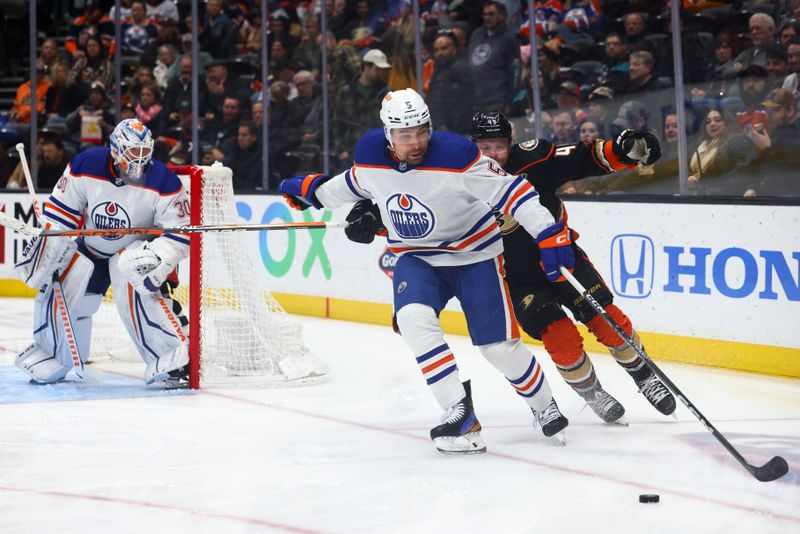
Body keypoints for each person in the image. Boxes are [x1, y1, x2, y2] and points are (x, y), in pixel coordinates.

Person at [279, 89, 573, 454]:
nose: (416, 142)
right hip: (417, 258)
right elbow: (352, 185)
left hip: (475, 256)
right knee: (414, 320)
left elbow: (514, 192)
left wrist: (548, 232)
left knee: (498, 349)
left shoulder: (457, 156)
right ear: (388, 134)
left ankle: (544, 406)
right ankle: (459, 413)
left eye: (421, 131)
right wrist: (312, 192)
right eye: (405, 135)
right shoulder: (371, 155)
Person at [343, 111, 677, 424]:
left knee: (606, 318)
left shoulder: (533, 160)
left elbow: (580, 157)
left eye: (499, 146)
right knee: (559, 336)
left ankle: (644, 376)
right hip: (512, 278)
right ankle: (593, 393)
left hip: (561, 261)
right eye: (484, 147)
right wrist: (371, 216)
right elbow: (416, 212)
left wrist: (622, 150)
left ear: (511, 143)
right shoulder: (455, 174)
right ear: (473, 145)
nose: (492, 154)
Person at [13, 118, 190, 387]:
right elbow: (62, 214)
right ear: (116, 150)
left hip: (133, 250)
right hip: (92, 248)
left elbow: (181, 231)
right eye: (132, 153)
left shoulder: (164, 181)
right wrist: (50, 245)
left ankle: (169, 356)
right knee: (61, 285)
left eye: (144, 154)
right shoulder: (86, 164)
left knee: (135, 278)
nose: (139, 161)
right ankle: (52, 353)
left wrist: (157, 255)